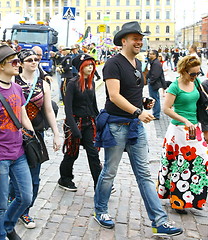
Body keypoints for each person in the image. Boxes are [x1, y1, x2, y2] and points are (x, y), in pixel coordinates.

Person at [93, 21, 183, 237]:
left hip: (134, 126)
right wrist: (137, 112)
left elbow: (128, 93)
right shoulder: (113, 64)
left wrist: (143, 102)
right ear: (123, 41)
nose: (139, 41)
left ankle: (159, 221)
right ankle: (101, 211)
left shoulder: (138, 63)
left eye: (140, 38)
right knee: (109, 172)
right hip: (116, 126)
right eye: (135, 38)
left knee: (143, 174)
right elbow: (114, 96)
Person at [0, 45, 33, 240]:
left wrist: (32, 132)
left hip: (18, 153)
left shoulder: (17, 88)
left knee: (25, 197)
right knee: (0, 202)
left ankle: (8, 225)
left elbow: (22, 115)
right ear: (1, 66)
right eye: (14, 61)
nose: (18, 64)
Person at [10, 49, 61, 229]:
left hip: (34, 135)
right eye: (29, 60)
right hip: (14, 133)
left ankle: (25, 211)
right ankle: (13, 204)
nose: (34, 62)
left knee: (34, 177)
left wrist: (56, 133)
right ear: (21, 63)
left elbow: (48, 110)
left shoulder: (43, 85)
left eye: (36, 59)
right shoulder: (12, 81)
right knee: (14, 175)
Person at [157, 55, 208, 215]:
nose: (195, 76)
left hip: (195, 129)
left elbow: (201, 100)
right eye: (192, 74)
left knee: (199, 163)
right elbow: (166, 109)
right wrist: (184, 120)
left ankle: (195, 199)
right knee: (181, 165)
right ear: (183, 71)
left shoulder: (196, 83)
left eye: (197, 73)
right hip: (179, 130)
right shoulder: (174, 86)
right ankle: (178, 201)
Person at [58, 54, 102, 192]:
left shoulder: (91, 82)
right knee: (72, 153)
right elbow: (68, 108)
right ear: (81, 67)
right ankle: (65, 178)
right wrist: (74, 129)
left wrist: (99, 122)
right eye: (87, 65)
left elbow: (93, 105)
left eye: (91, 65)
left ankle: (99, 183)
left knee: (93, 153)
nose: (90, 67)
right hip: (75, 123)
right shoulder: (72, 83)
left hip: (89, 123)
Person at [147, 50, 166, 120]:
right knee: (155, 98)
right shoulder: (154, 62)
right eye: (149, 54)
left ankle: (156, 114)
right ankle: (156, 113)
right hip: (154, 82)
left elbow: (155, 74)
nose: (149, 55)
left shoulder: (156, 63)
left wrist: (151, 81)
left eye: (151, 54)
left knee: (155, 98)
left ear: (155, 55)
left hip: (154, 83)